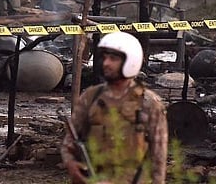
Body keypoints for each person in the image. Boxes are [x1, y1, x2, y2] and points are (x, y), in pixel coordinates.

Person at [61, 31, 168, 184]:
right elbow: (69, 143)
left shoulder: (149, 103)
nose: (106, 63)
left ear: (130, 61)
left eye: (113, 59)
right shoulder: (90, 98)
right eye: (105, 58)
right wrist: (72, 165)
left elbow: (158, 155)